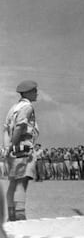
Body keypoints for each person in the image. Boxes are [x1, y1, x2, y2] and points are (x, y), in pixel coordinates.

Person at [3, 80, 39, 220]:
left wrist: (7, 148)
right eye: (35, 91)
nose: (37, 93)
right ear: (28, 93)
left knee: (13, 182)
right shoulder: (27, 107)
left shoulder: (14, 108)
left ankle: (11, 214)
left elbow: (6, 129)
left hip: (13, 149)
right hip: (23, 146)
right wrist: (13, 145)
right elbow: (20, 126)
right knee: (22, 182)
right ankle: (20, 215)